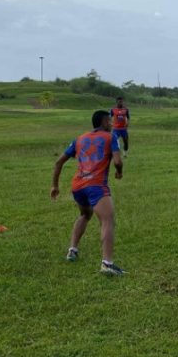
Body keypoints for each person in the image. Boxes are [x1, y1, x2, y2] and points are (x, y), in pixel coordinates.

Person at [50, 110, 126, 275]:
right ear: (104, 122)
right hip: (96, 185)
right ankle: (107, 264)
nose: (112, 124)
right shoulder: (111, 137)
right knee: (108, 221)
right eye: (110, 121)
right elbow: (118, 161)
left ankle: (72, 250)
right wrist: (119, 171)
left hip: (78, 186)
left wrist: (54, 186)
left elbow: (58, 162)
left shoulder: (79, 139)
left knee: (85, 215)